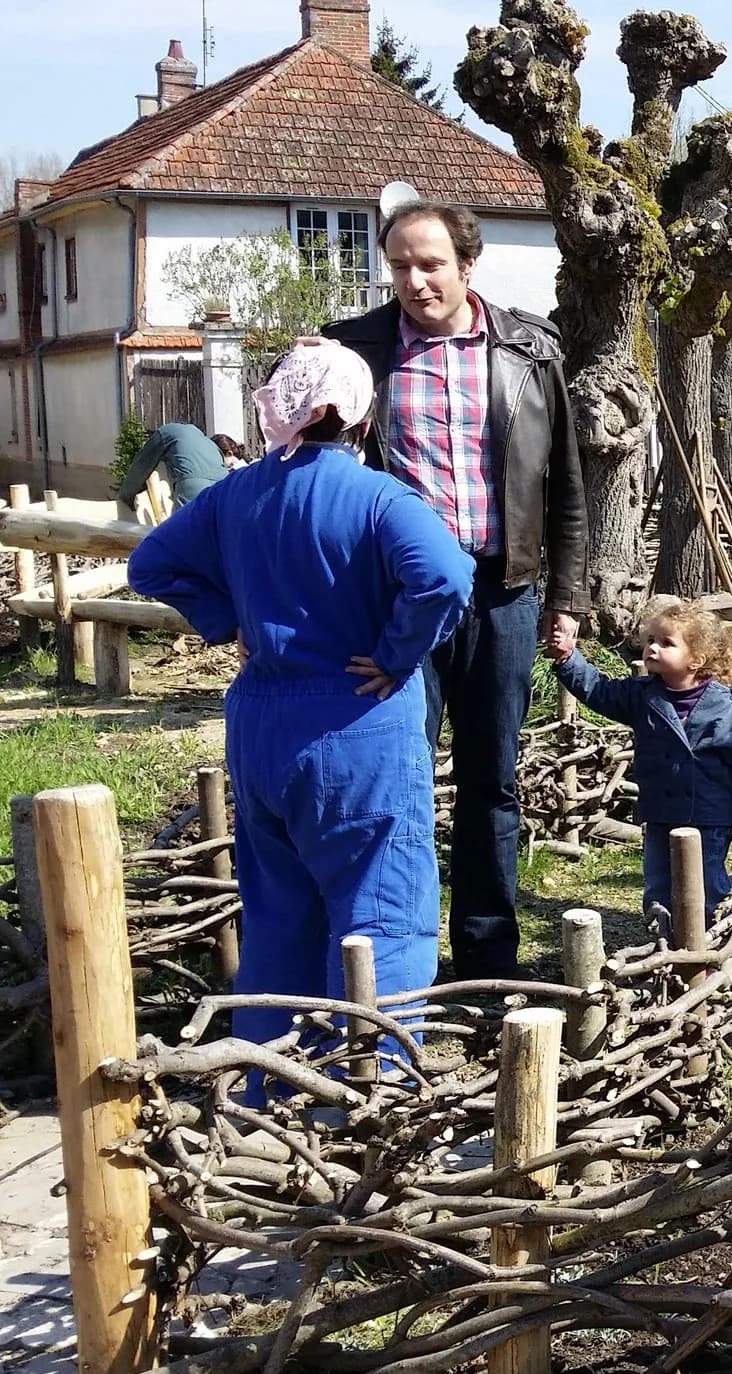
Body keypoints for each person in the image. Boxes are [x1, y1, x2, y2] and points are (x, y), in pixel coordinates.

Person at [127, 341, 472, 1055]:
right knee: (381, 913)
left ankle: (266, 1083)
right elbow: (443, 577)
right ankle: (365, 1090)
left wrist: (228, 621)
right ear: (363, 421)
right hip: (357, 725)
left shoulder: (235, 494)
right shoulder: (379, 498)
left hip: (262, 729)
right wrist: (396, 653)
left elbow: (150, 564)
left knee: (279, 916)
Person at [327, 200, 588, 983]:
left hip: (503, 594)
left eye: (430, 264)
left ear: (468, 265)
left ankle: (485, 957)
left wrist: (566, 597)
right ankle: (398, 960)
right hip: (401, 604)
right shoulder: (354, 353)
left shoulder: (529, 351)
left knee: (491, 781)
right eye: (399, 266)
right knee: (397, 778)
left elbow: (566, 485)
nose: (414, 281)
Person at [551, 598, 732, 926]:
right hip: (660, 814)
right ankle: (664, 938)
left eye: (667, 643)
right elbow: (598, 691)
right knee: (659, 883)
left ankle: (714, 937)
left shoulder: (726, 710)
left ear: (696, 659)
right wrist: (569, 658)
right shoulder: (641, 695)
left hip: (709, 817)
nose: (652, 647)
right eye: (651, 639)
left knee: (708, 882)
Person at [117, 423, 246, 513]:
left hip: (193, 487)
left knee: (180, 537)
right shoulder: (208, 444)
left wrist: (126, 496)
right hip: (222, 491)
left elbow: (141, 466)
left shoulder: (166, 432)